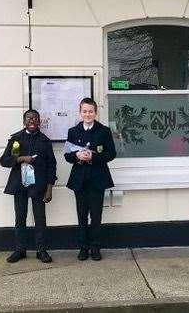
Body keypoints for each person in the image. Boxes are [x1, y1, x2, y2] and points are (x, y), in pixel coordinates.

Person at [0, 109, 57, 264]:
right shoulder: (16, 139)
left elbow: (52, 165)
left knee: (40, 218)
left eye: (35, 118)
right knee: (20, 217)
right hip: (19, 184)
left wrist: (49, 187)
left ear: (39, 122)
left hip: (38, 185)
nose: (32, 120)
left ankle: (41, 250)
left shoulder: (44, 141)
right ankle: (20, 250)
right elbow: (4, 160)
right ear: (24, 121)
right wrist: (20, 159)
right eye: (28, 118)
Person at [64, 98, 116, 261]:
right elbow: (67, 154)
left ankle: (95, 247)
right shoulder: (73, 131)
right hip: (80, 179)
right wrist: (77, 156)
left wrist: (93, 157)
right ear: (80, 112)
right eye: (84, 111)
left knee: (96, 215)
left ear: (95, 112)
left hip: (97, 179)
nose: (87, 114)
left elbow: (111, 154)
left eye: (90, 111)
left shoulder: (104, 131)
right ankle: (83, 247)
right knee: (81, 215)